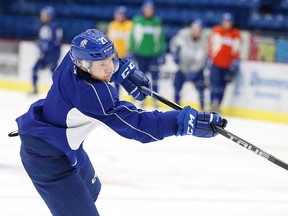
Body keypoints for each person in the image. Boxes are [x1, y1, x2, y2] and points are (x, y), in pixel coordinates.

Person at [15, 29, 226, 216]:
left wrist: (123, 71)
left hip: (61, 141)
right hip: (46, 157)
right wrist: (183, 121)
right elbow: (138, 125)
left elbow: (105, 64)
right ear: (83, 65)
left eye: (111, 60)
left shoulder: (72, 59)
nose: (109, 68)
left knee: (91, 190)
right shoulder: (91, 96)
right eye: (102, 65)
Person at [129, 0, 166, 107]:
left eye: (150, 9)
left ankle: (156, 99)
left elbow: (161, 38)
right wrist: (132, 49)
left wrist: (162, 51)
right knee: (141, 79)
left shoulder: (157, 21)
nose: (148, 11)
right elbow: (133, 36)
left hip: (154, 54)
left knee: (155, 78)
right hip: (141, 54)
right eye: (147, 9)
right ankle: (141, 98)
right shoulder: (138, 20)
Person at [170, 19, 208, 110]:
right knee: (177, 87)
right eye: (194, 29)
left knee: (201, 88)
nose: (196, 31)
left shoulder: (204, 42)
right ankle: (176, 107)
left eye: (198, 30)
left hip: (196, 70)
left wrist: (194, 70)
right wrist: (175, 54)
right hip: (182, 66)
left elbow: (202, 59)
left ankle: (202, 108)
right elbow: (173, 43)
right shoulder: (183, 35)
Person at [208, 12, 241, 112]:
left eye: (229, 22)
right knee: (214, 84)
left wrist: (235, 61)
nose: (227, 24)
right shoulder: (216, 31)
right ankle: (212, 104)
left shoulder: (235, 33)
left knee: (223, 86)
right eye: (225, 21)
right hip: (216, 64)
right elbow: (211, 45)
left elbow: (237, 49)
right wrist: (209, 57)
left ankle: (218, 105)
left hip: (227, 65)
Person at [29, 5, 63, 95]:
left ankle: (61, 91)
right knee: (35, 69)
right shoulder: (45, 27)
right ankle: (35, 88)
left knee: (55, 74)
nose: (42, 17)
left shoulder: (53, 27)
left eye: (44, 15)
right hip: (46, 54)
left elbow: (54, 42)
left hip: (51, 54)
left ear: (50, 16)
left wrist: (50, 53)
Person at [107, 5, 133, 94]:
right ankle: (116, 95)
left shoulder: (129, 25)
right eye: (118, 14)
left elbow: (131, 40)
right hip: (113, 56)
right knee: (114, 78)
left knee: (127, 77)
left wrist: (129, 50)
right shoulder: (112, 25)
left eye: (121, 14)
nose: (119, 16)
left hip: (125, 55)